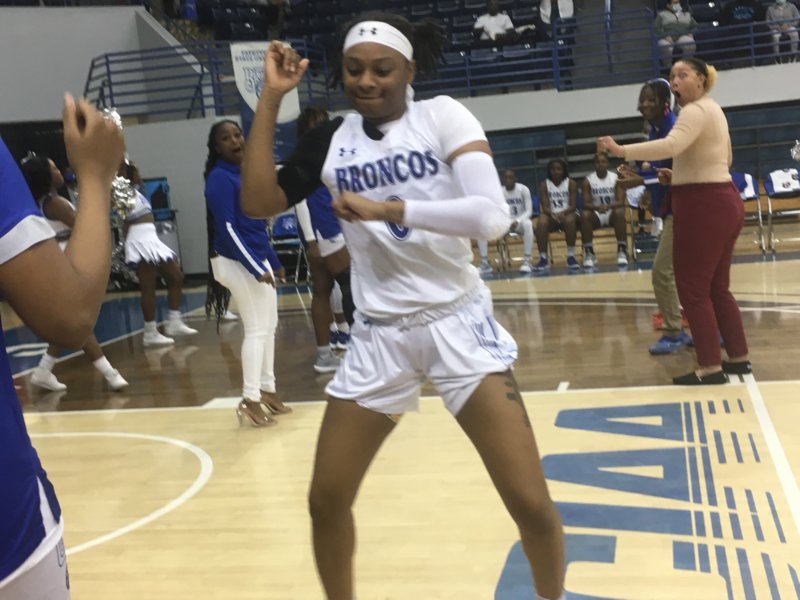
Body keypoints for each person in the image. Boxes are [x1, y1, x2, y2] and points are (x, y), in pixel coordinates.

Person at [240, 13, 565, 600]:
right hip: (378, 336)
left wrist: (388, 210)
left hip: (456, 322)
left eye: (382, 69)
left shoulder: (441, 116)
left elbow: (491, 217)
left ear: (410, 69)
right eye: (354, 69)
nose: (367, 81)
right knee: (325, 500)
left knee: (531, 505)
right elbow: (259, 200)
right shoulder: (331, 139)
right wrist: (270, 98)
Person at [0, 94, 124, 600]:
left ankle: (54, 371)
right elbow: (69, 315)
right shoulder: (49, 202)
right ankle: (80, 369)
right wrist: (95, 175)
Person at [598, 57, 751, 385]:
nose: (676, 81)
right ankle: (739, 358)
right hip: (724, 201)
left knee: (693, 290)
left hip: (703, 206)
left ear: (701, 79)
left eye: (683, 75)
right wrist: (677, 174)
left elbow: (672, 144)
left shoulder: (693, 111)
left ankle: (710, 367)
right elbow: (722, 159)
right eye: (672, 76)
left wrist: (621, 150)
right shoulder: (714, 109)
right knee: (718, 289)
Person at [204, 119, 291, 427]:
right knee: (256, 329)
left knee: (269, 326)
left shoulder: (243, 174)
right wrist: (256, 267)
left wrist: (272, 261)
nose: (235, 141)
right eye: (226, 138)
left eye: (237, 135)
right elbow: (228, 229)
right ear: (217, 148)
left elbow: (256, 225)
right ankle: (250, 399)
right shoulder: (219, 178)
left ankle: (267, 390)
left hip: (254, 259)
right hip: (234, 261)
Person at [20, 154, 128, 392]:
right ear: (46, 176)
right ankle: (110, 373)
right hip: (66, 261)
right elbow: (84, 227)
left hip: (61, 258)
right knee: (79, 322)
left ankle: (43, 371)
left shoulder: (47, 201)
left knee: (70, 322)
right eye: (54, 168)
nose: (59, 171)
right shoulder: (55, 203)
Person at [617, 78, 693, 355]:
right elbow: (661, 173)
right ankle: (704, 329)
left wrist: (638, 181)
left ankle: (674, 331)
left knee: (662, 272)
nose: (645, 104)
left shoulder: (673, 129)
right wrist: (643, 182)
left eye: (651, 99)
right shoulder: (656, 130)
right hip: (673, 208)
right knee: (685, 275)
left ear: (665, 103)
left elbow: (679, 174)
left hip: (683, 210)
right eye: (643, 99)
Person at [292, 105, 355, 373]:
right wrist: (311, 241)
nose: (319, 129)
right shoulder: (307, 158)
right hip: (324, 230)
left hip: (332, 227)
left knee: (323, 290)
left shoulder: (331, 153)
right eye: (313, 125)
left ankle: (324, 355)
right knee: (351, 286)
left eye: (322, 123)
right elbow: (300, 202)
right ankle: (363, 351)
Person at [121, 161, 197, 346]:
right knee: (149, 287)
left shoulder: (137, 193)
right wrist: (128, 246)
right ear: (129, 174)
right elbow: (125, 222)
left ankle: (174, 322)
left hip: (151, 239)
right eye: (137, 170)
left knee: (176, 277)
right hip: (140, 241)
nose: (140, 173)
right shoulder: (123, 193)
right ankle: (150, 332)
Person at [477, 168, 534, 274]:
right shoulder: (498, 192)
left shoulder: (523, 189)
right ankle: (485, 263)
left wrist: (517, 220)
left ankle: (527, 261)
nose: (508, 180)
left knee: (528, 223)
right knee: (481, 226)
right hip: (503, 224)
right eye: (506, 178)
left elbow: (529, 211)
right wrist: (504, 221)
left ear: (515, 178)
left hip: (519, 223)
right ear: (502, 179)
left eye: (510, 177)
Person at [580, 153, 628, 268]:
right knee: (584, 215)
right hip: (596, 213)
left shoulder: (616, 178)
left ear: (608, 163)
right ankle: (589, 252)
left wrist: (608, 206)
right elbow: (585, 203)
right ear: (594, 164)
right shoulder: (588, 180)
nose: (600, 164)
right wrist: (598, 208)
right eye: (597, 162)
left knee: (620, 212)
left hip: (612, 212)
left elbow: (620, 201)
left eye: (603, 162)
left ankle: (622, 250)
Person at [534, 158, 580, 273]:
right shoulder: (544, 184)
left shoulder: (571, 183)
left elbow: (573, 205)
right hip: (551, 215)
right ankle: (543, 258)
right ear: (549, 171)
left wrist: (562, 213)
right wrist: (553, 214)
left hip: (568, 213)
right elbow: (545, 207)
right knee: (541, 221)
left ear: (564, 170)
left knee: (569, 220)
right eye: (553, 169)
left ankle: (570, 257)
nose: (556, 171)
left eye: (559, 169)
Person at [654, 0, 698, 70]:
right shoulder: (662, 15)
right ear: (668, 5)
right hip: (666, 38)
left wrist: (691, 33)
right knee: (664, 46)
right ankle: (668, 68)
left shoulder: (687, 14)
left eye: (678, 2)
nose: (677, 4)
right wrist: (665, 36)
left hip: (682, 37)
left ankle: (684, 66)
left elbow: (695, 26)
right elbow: (655, 28)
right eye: (675, 3)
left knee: (690, 43)